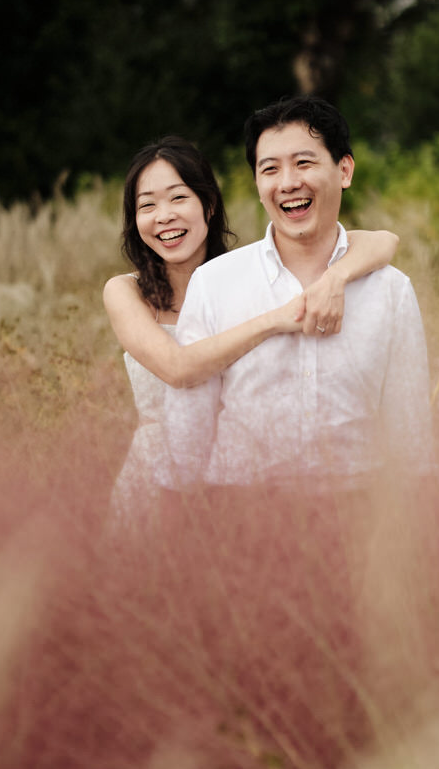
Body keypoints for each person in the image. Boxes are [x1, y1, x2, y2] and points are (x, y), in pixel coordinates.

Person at [104, 136, 399, 521]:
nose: (164, 216)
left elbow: (384, 241)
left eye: (178, 198)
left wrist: (336, 277)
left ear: (209, 205)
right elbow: (178, 369)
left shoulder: (240, 278)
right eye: (147, 205)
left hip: (242, 485)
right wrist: (274, 320)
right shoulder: (125, 291)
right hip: (156, 483)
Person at [158, 98, 433, 494]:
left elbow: (410, 433)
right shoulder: (214, 283)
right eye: (270, 169)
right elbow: (188, 428)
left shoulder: (390, 290)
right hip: (238, 505)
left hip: (358, 505)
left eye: (304, 163)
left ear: (344, 170)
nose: (287, 183)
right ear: (257, 184)